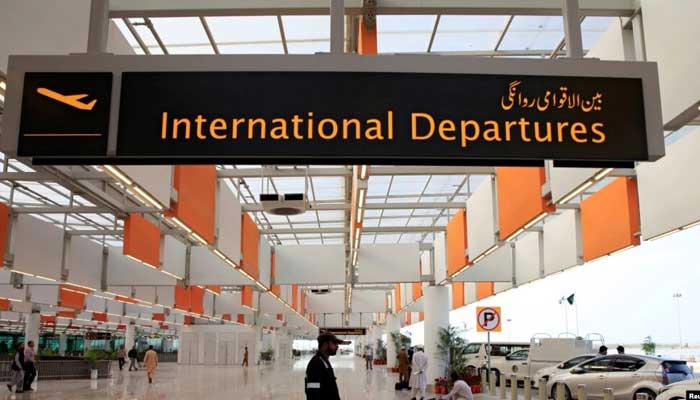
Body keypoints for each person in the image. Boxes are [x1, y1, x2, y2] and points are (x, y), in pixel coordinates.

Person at [305, 332, 349, 400]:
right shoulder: (316, 363)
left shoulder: (324, 361)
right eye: (334, 343)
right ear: (325, 345)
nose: (337, 346)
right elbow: (312, 394)